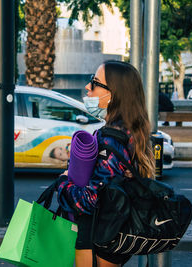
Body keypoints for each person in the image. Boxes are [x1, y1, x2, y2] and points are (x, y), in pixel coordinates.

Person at [57, 60, 155, 267]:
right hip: (112, 235)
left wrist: (63, 183)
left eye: (95, 82)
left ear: (112, 94)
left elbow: (87, 200)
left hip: (96, 238)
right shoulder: (132, 134)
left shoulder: (111, 140)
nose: (87, 87)